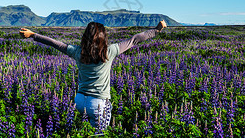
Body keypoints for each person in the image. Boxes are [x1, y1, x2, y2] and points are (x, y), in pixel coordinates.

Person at [19, 20, 167, 129]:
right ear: (104, 38)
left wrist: (33, 35)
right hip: (98, 104)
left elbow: (56, 43)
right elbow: (135, 39)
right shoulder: (110, 51)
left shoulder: (77, 51)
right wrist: (156, 30)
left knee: (81, 136)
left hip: (80, 100)